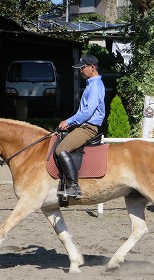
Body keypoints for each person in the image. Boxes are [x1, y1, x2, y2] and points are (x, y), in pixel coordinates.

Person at [55, 54, 105, 199]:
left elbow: (88, 112)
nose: (80, 71)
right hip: (83, 125)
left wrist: (68, 122)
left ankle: (73, 186)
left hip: (88, 128)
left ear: (92, 67)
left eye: (82, 68)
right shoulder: (91, 85)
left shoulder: (95, 86)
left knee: (61, 149)